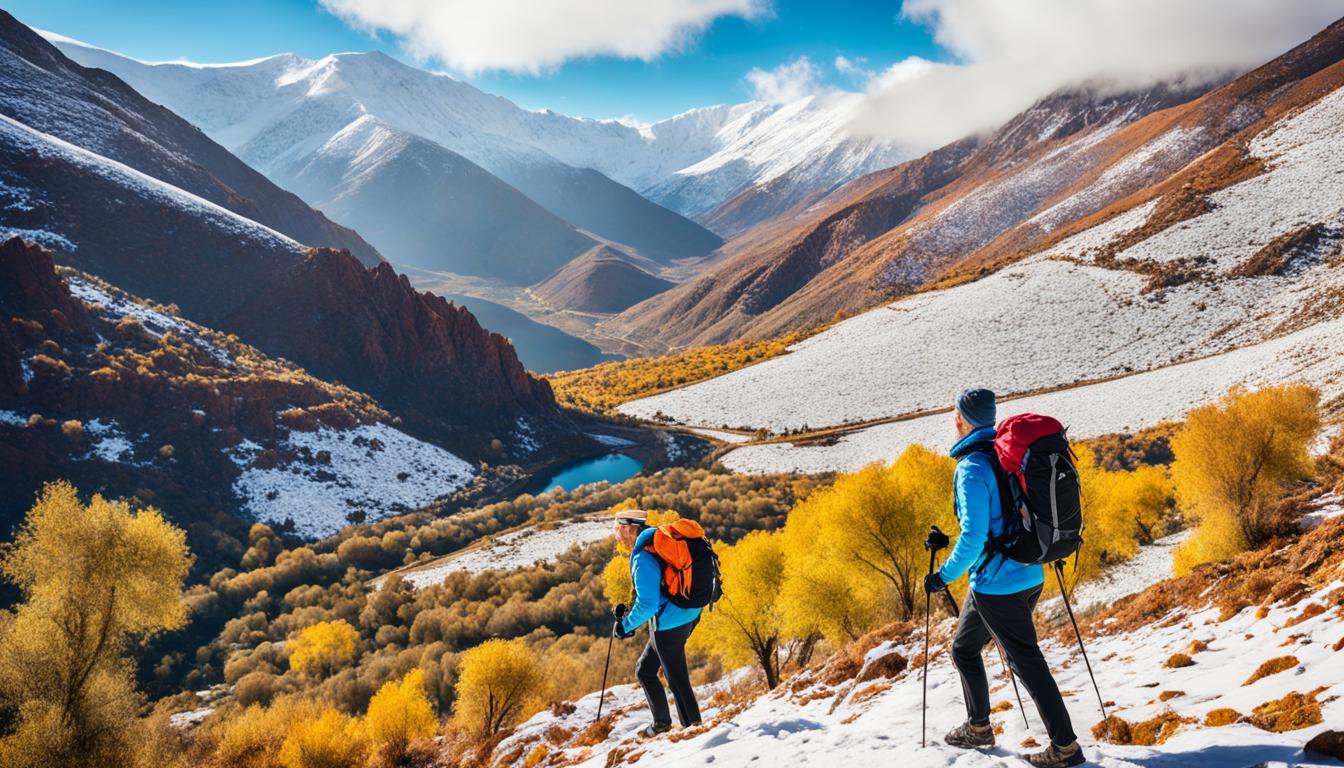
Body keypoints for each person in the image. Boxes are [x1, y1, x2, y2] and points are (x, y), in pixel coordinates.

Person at [923, 388, 1086, 768]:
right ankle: (978, 727)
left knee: (1026, 661)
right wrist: (955, 541)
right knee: (964, 649)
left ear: (961, 418)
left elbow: (975, 535)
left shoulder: (971, 467)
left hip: (998, 585)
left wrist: (943, 576)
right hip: (1027, 574)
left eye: (955, 414)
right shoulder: (1005, 454)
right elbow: (1000, 520)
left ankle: (1066, 748)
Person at [612, 509, 703, 737]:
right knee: (645, 670)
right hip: (690, 612)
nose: (616, 536)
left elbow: (649, 604)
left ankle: (695, 732)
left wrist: (625, 626)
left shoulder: (643, 556)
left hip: (670, 622)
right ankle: (662, 723)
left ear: (629, 529)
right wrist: (630, 611)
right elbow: (657, 588)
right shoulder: (658, 540)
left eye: (618, 530)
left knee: (677, 679)